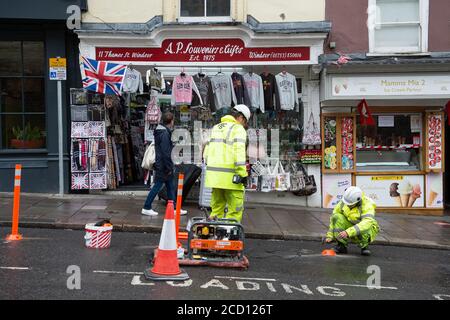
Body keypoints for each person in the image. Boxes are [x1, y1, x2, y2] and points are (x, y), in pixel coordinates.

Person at [203, 104, 250, 223]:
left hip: (215, 178)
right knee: (234, 210)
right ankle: (228, 236)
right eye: (245, 122)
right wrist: (242, 174)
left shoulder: (216, 127)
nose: (244, 126)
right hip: (232, 178)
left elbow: (206, 153)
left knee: (216, 209)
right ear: (240, 117)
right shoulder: (238, 129)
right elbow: (239, 153)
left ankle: (215, 235)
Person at [142, 112, 187, 216]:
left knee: (170, 186)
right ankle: (146, 206)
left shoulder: (161, 131)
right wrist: (169, 167)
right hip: (163, 165)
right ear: (171, 121)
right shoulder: (164, 133)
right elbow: (166, 153)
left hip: (162, 164)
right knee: (157, 186)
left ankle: (174, 207)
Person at [324, 186, 379, 256]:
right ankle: (341, 246)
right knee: (337, 217)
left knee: (365, 228)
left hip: (366, 228)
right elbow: (334, 219)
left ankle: (364, 246)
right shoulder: (345, 201)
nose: (347, 205)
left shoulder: (367, 205)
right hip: (351, 225)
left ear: (358, 201)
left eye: (350, 204)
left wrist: (348, 232)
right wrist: (330, 236)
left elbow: (366, 223)